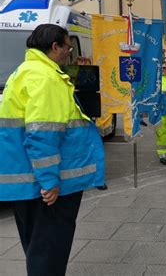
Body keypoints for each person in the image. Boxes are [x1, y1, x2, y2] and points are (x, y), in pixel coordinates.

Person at [0, 24, 105, 275]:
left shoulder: (24, 72)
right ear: (55, 46)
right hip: (45, 188)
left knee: (37, 250)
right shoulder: (46, 78)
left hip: (27, 182)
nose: (69, 51)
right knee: (49, 254)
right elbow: (43, 134)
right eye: (67, 46)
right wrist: (50, 181)